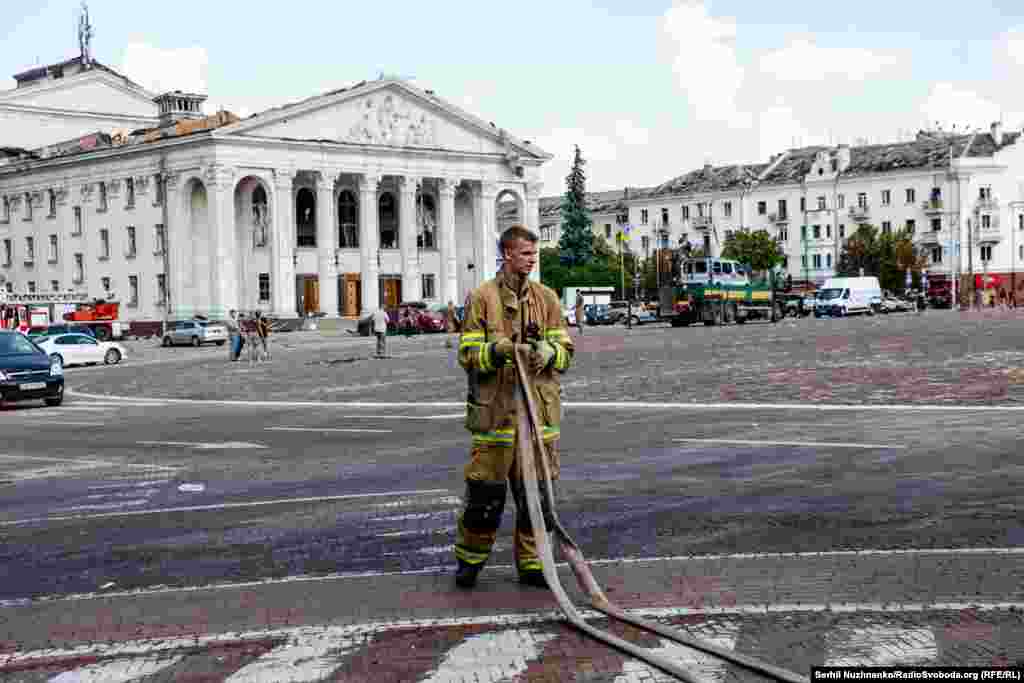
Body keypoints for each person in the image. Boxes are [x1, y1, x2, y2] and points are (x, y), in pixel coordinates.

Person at [453, 225, 575, 590]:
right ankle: (470, 562)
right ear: (507, 254)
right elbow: (467, 355)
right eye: (525, 253)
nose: (532, 260)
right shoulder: (481, 299)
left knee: (536, 499)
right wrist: (499, 351)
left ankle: (533, 564)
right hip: (496, 419)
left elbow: (566, 351)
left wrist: (547, 353)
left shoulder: (547, 299)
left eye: (534, 254)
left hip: (538, 419)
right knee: (484, 499)